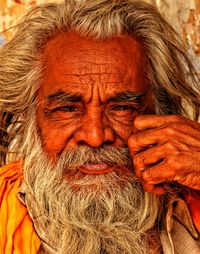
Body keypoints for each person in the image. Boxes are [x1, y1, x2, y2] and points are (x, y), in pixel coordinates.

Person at [0, 0, 200, 253]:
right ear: (32, 117)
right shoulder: (4, 218)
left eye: (121, 108)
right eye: (68, 109)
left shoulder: (191, 204)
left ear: (160, 112)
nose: (95, 136)